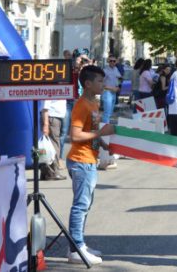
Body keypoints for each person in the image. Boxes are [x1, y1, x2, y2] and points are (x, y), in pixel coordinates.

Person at [66, 65, 115, 265]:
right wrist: (101, 134)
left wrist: (102, 144)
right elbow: (75, 136)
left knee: (85, 205)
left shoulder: (93, 103)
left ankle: (80, 244)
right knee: (81, 205)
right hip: (80, 160)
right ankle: (75, 248)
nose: (103, 85)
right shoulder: (81, 106)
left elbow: (91, 131)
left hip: (89, 160)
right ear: (88, 83)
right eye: (100, 81)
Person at [40, 99, 67, 181]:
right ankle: (53, 172)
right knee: (54, 145)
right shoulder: (51, 87)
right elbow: (45, 106)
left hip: (54, 117)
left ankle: (46, 172)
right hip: (52, 117)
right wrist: (46, 124)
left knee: (47, 146)